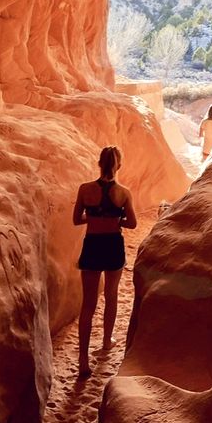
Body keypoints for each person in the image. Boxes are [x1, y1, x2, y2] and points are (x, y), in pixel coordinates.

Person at [73, 145, 137, 378]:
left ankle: (82, 358)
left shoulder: (85, 189)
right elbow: (132, 223)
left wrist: (94, 217)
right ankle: (107, 341)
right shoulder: (123, 192)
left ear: (99, 163)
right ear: (118, 165)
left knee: (88, 304)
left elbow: (76, 219)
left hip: (92, 244)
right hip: (112, 245)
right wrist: (114, 220)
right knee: (111, 295)